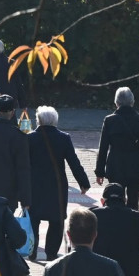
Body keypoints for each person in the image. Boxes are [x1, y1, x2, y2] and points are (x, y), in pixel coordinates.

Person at [27, 106, 90, 261]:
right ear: (55, 121)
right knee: (56, 221)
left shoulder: (29, 138)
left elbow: (23, 164)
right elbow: (73, 162)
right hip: (57, 185)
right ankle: (51, 253)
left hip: (34, 185)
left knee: (33, 219)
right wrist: (83, 182)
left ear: (38, 121)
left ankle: (32, 251)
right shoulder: (64, 138)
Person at [95, 87, 139, 211]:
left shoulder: (109, 120)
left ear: (116, 103)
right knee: (133, 202)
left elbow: (103, 147)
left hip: (115, 165)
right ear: (132, 102)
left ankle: (116, 225)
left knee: (115, 199)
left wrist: (99, 172)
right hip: (135, 166)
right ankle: (132, 226)